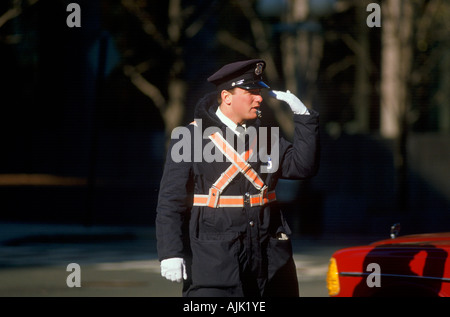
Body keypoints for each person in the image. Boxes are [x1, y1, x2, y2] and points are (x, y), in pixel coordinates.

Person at [155, 59, 320, 297]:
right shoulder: (189, 138)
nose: (259, 98)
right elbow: (171, 200)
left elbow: (303, 167)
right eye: (251, 91)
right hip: (215, 265)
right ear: (227, 96)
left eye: (259, 91)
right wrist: (170, 251)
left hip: (268, 261)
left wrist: (303, 115)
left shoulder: (265, 137)